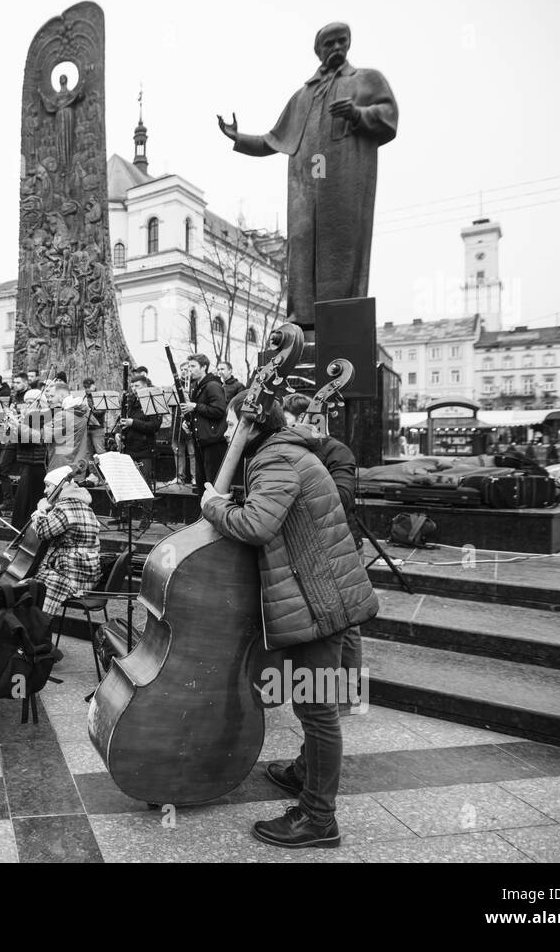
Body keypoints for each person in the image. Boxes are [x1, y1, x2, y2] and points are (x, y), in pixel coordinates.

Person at [200, 391, 378, 849]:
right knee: (313, 701)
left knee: (317, 711)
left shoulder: (275, 458)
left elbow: (258, 525)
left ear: (251, 425)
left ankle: (319, 819)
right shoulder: (288, 450)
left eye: (231, 425)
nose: (225, 432)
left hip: (317, 597)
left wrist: (213, 504)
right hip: (319, 591)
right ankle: (305, 772)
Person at [218, 22, 397, 320]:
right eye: (330, 44)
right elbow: (272, 139)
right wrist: (238, 137)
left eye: (342, 41)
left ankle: (341, 320)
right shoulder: (303, 96)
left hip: (343, 180)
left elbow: (388, 116)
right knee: (301, 250)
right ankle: (301, 320)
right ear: (319, 51)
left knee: (342, 248)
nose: (337, 48)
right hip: (305, 187)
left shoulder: (367, 80)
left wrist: (357, 113)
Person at [283, 392, 364, 715]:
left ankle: (348, 695)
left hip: (341, 543)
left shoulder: (336, 451)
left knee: (348, 623)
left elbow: (342, 496)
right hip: (311, 544)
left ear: (309, 420)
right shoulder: (297, 451)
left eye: (291, 425)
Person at [30, 465, 101, 617]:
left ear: (59, 486)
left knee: (29, 588)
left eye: (48, 486)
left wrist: (40, 510)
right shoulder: (84, 505)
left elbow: (42, 531)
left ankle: (36, 628)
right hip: (86, 574)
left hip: (72, 576)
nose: (45, 491)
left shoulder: (64, 507)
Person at [179, 353, 229, 496]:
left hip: (213, 442)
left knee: (212, 483)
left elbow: (219, 410)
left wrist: (195, 407)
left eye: (193, 366)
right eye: (188, 367)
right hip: (202, 440)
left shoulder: (212, 385)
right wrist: (188, 422)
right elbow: (201, 412)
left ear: (204, 367)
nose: (190, 370)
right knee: (202, 483)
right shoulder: (199, 386)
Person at [10, 389, 51, 530]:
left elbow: (38, 438)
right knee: (23, 500)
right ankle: (21, 530)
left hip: (36, 463)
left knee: (29, 499)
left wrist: (19, 426)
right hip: (27, 461)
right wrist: (13, 429)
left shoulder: (43, 416)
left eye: (29, 402)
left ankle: (27, 530)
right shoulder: (29, 416)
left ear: (39, 403)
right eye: (26, 402)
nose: (26, 405)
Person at [120, 376, 163, 484]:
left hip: (145, 450)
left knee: (144, 484)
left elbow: (154, 426)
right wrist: (117, 433)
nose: (134, 389)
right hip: (129, 448)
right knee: (129, 484)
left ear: (145, 386)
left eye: (137, 386)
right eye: (132, 386)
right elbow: (122, 420)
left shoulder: (153, 401)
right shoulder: (130, 401)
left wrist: (133, 423)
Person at [82, 377, 107, 456]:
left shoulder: (100, 397)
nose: (87, 389)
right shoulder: (83, 397)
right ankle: (92, 468)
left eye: (89, 387)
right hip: (86, 428)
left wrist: (90, 408)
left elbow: (101, 412)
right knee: (88, 453)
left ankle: (104, 468)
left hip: (97, 428)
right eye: (85, 387)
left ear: (94, 386)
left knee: (100, 452)